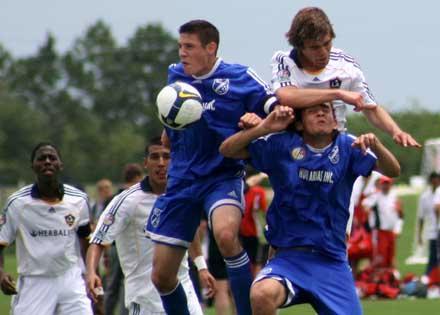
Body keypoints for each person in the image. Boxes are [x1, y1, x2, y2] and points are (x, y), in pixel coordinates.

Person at [145, 19, 279, 315]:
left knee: (227, 236)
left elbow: (275, 106)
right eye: (180, 46)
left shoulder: (240, 77)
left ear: (211, 47)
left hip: (222, 176)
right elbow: (171, 124)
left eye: (189, 46)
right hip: (181, 180)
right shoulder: (176, 75)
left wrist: (260, 120)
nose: (182, 53)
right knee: (162, 277)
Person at [219, 103, 400, 315]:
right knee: (261, 294)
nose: (321, 113)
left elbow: (393, 170)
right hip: (288, 259)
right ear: (299, 122)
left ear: (335, 120)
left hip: (331, 261)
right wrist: (263, 128)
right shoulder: (282, 145)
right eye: (313, 111)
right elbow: (227, 150)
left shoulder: (349, 146)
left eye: (326, 109)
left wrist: (376, 145)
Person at [86, 137, 215, 315]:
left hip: (184, 289)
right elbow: (98, 240)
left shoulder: (182, 195)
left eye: (166, 156)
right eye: (155, 157)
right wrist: (92, 272)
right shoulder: (127, 200)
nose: (161, 163)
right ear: (146, 163)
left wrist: (201, 267)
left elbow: (187, 231)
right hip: (145, 300)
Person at [0, 142, 93, 314]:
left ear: (60, 165)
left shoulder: (79, 199)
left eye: (52, 158)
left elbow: (86, 240)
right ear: (33, 166)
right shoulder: (17, 203)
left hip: (70, 279)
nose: (47, 162)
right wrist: (1, 274)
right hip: (34, 282)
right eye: (41, 158)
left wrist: (91, 274)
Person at [104, 163, 143, 315]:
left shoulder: (113, 198)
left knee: (112, 285)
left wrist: (106, 252)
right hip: (131, 248)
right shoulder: (136, 196)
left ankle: (106, 312)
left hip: (113, 246)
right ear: (138, 177)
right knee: (127, 284)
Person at [362, 176, 404, 268]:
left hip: (391, 232)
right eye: (384, 184)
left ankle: (388, 277)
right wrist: (368, 210)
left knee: (391, 256)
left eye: (387, 184)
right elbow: (365, 204)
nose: (385, 186)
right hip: (380, 231)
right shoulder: (376, 196)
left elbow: (400, 214)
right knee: (381, 257)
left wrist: (398, 228)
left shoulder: (394, 196)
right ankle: (379, 277)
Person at [240, 172, 268, 276]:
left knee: (244, 260)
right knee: (257, 262)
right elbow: (264, 210)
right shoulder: (259, 191)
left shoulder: (240, 189)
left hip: (242, 231)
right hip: (255, 232)